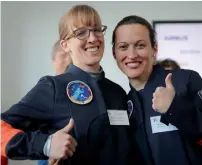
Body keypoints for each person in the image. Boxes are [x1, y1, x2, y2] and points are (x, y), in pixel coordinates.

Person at [1, 5, 143, 165]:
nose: (93, 38)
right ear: (65, 45)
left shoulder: (117, 92)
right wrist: (45, 145)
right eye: (81, 33)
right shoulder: (53, 87)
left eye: (97, 29)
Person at [112, 15, 202, 165]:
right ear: (115, 54)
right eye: (123, 47)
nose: (132, 55)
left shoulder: (186, 81)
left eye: (140, 45)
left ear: (154, 49)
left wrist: (174, 107)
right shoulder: (125, 102)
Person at [37, 41, 72, 165]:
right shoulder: (47, 88)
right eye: (63, 56)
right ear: (53, 61)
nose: (68, 61)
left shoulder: (82, 91)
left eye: (71, 56)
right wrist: (47, 144)